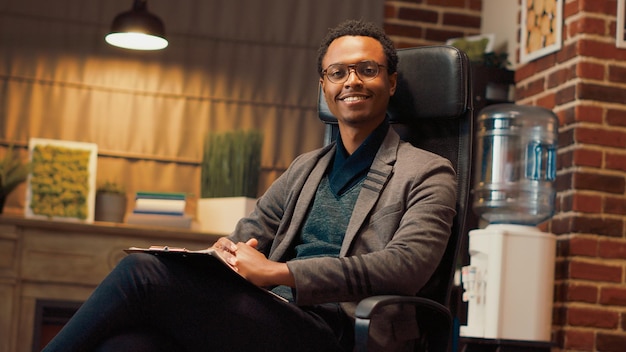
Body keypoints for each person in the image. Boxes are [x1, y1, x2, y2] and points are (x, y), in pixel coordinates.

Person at [43, 19, 456, 352]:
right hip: (273, 313)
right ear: (324, 87)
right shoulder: (305, 168)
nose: (352, 81)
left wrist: (283, 272)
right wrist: (223, 253)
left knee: (140, 273)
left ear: (392, 82)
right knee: (129, 344)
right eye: (338, 72)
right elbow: (249, 235)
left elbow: (407, 267)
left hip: (338, 329)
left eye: (368, 69)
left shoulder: (427, 172)